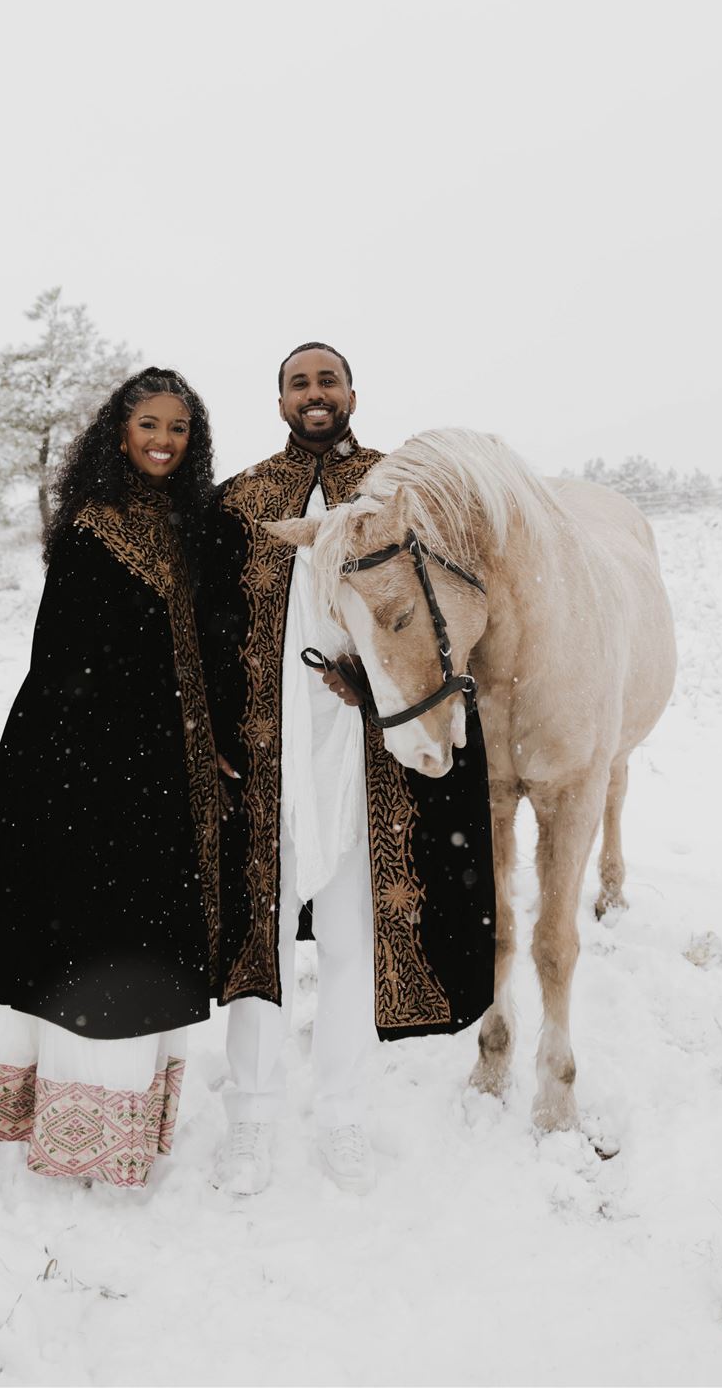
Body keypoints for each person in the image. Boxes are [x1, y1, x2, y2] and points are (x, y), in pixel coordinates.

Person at [203, 342, 495, 1195]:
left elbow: (441, 613)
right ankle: (249, 1122)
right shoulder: (244, 502)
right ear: (281, 401)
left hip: (365, 760)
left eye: (327, 379)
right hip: (268, 760)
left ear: (352, 392)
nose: (315, 393)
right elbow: (212, 625)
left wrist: (373, 687)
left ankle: (343, 1116)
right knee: (258, 951)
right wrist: (220, 730)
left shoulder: (396, 494)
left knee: (351, 946)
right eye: (299, 383)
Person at [0, 368, 220, 1188]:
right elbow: (58, 665)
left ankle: (115, 1120)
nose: (163, 441)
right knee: (89, 937)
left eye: (178, 429)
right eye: (148, 425)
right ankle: (66, 1125)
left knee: (138, 943)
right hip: (93, 772)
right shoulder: (96, 526)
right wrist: (70, 773)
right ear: (117, 433)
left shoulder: (188, 524)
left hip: (165, 776)